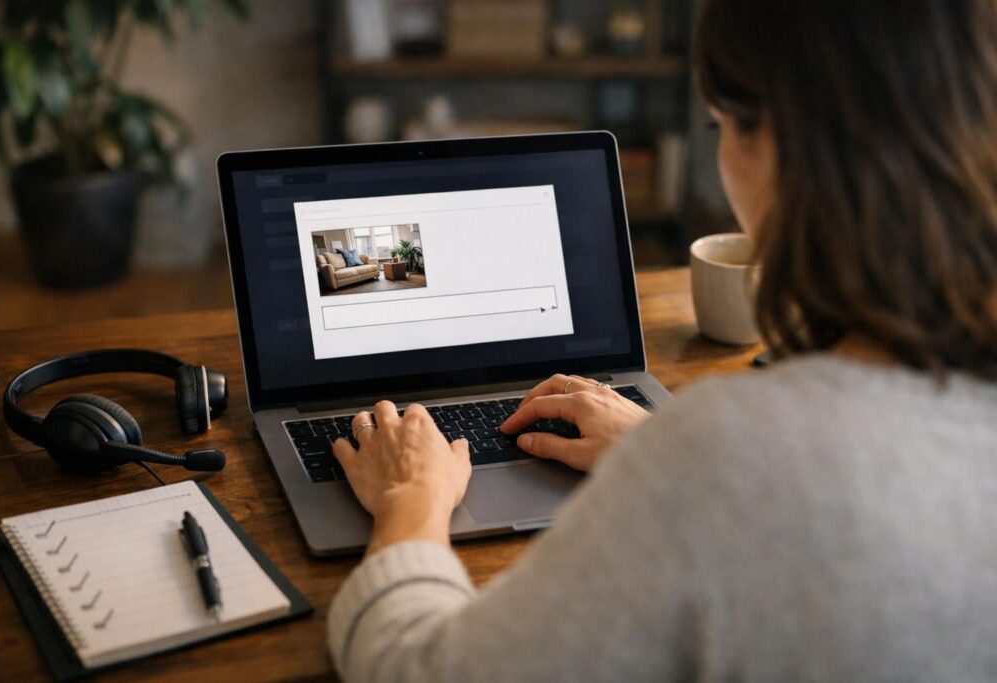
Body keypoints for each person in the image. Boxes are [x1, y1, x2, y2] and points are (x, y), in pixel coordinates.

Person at [327, 1, 997, 680]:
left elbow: (411, 668)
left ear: (780, 141)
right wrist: (658, 453)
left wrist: (412, 498)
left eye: (722, 124)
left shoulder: (721, 453)